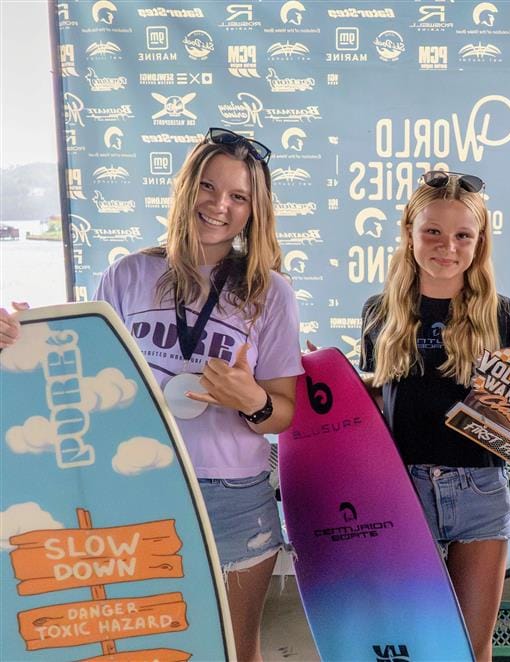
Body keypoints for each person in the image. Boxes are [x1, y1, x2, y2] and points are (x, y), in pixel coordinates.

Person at [1, 128, 302, 662]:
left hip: (232, 497)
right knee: (151, 649)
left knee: (236, 652)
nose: (219, 205)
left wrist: (249, 398)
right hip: (136, 489)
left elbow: (282, 413)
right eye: (208, 187)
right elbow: (83, 374)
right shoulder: (129, 274)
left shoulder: (268, 291)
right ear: (186, 189)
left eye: (238, 197)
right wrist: (22, 338)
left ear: (255, 211)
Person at [359, 170, 510, 662]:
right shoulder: (378, 312)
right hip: (403, 490)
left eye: (462, 235)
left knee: (472, 650)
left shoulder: (505, 315)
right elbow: (378, 402)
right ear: (409, 232)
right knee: (417, 647)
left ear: (479, 243)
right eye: (432, 231)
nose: (446, 246)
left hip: (481, 490)